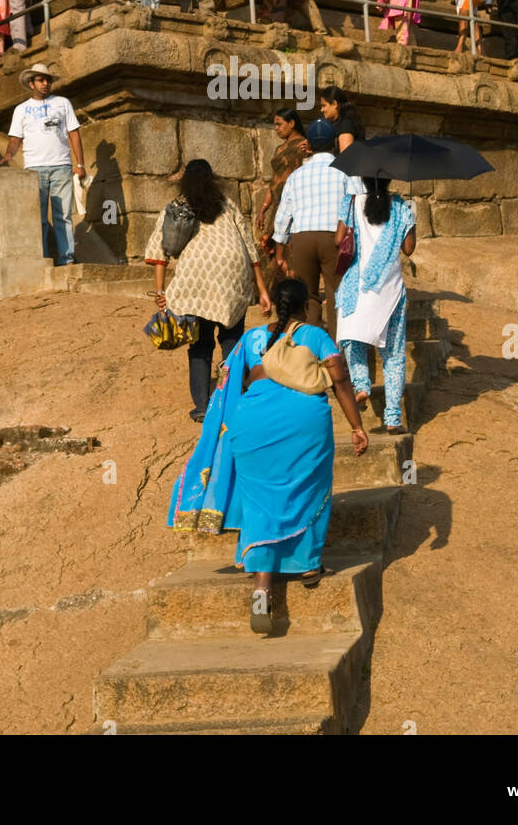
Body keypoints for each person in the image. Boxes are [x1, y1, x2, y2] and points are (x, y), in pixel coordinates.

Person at [168, 277, 368, 632]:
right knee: (308, 487)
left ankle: (262, 584)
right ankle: (307, 564)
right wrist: (357, 427)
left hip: (251, 425)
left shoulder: (250, 339)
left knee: (259, 499)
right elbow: (340, 382)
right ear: (306, 306)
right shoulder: (316, 337)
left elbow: (230, 386)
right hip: (304, 425)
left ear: (273, 304)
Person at [145, 159, 272, 422]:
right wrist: (262, 289)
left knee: (200, 347)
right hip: (232, 275)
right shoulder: (228, 205)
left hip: (196, 280)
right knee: (232, 342)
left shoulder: (177, 206)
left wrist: (160, 292)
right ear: (212, 178)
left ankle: (203, 407)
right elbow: (250, 249)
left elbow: (159, 253)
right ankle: (233, 400)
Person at [335, 175, 417, 434]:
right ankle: (392, 418)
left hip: (357, 287)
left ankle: (361, 385)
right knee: (392, 354)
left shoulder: (351, 203)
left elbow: (339, 240)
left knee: (352, 339)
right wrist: (412, 221)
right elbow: (409, 249)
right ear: (390, 178)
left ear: (364, 180)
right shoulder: (401, 207)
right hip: (389, 289)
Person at [0, 64, 86, 266]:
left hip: (61, 165)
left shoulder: (63, 103)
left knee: (63, 216)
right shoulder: (21, 109)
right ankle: (43, 260)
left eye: (48, 80)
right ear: (31, 83)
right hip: (34, 168)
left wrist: (80, 163)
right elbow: (15, 137)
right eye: (40, 80)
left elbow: (73, 133)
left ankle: (67, 259)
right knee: (39, 219)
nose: (45, 84)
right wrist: (8, 155)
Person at [273, 118, 345, 339]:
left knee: (309, 297)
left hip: (302, 238)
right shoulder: (344, 172)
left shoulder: (296, 176)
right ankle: (336, 353)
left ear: (309, 146)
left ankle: (311, 348)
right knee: (336, 295)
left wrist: (279, 254)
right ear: (334, 142)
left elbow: (283, 217)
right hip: (334, 238)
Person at [255, 109, 309, 255]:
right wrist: (263, 208)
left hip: (294, 206)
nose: (276, 129)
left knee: (288, 250)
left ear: (291, 123)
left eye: (279, 124)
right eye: (275, 125)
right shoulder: (279, 149)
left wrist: (310, 150)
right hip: (278, 206)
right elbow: (274, 181)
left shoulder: (304, 145)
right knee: (271, 249)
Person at [319, 85, 365, 153]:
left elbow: (345, 158)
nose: (321, 110)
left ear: (334, 104)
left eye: (324, 105)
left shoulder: (345, 125)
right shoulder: (342, 122)